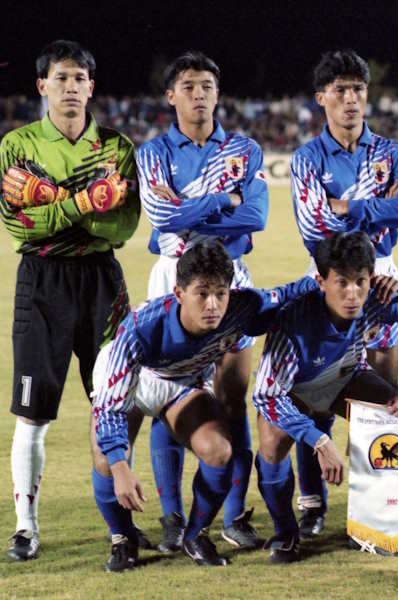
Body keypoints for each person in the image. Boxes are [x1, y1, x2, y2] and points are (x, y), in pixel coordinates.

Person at [90, 242, 318, 570]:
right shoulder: (142, 328)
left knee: (218, 450)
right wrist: (119, 464)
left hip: (180, 384)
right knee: (104, 459)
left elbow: (289, 293)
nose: (212, 304)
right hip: (133, 382)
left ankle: (195, 535)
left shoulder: (240, 307)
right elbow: (111, 409)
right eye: (201, 293)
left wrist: (325, 276)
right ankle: (123, 538)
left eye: (220, 293)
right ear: (179, 292)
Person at [0, 40, 140, 561]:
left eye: (80, 78)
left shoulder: (117, 147)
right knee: (32, 413)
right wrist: (84, 201)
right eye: (61, 78)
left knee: (114, 403)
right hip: (41, 282)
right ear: (42, 86)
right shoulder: (16, 146)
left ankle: (120, 529)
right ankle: (25, 528)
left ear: (92, 87)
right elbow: (19, 224)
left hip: (102, 280)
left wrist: (55, 204)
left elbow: (121, 226)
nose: (72, 88)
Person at [136, 51, 268, 552]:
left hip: (232, 279)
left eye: (207, 85)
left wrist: (193, 212)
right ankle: (173, 518)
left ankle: (234, 516)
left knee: (234, 394)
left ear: (218, 93)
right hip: (173, 278)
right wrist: (222, 201)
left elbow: (255, 215)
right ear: (172, 95)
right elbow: (161, 215)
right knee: (168, 398)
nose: (199, 94)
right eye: (188, 86)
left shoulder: (245, 149)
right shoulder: (152, 152)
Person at [289, 49, 398, 536]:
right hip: (327, 276)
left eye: (358, 90)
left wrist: (349, 206)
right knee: (315, 393)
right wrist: (376, 207)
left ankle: (374, 503)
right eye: (340, 90)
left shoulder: (390, 152)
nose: (350, 99)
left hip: (382, 276)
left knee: (382, 400)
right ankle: (311, 502)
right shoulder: (307, 157)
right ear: (321, 97)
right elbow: (314, 226)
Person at [252, 232, 398, 564]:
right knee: (272, 443)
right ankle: (285, 532)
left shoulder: (381, 299)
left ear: (371, 279)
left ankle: (376, 526)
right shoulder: (293, 317)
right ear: (321, 281)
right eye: (342, 283)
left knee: (397, 417)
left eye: (360, 282)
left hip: (345, 378)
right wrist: (319, 441)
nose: (353, 294)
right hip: (292, 391)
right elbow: (267, 396)